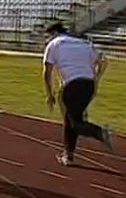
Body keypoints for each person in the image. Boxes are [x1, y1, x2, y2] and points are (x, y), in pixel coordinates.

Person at [42, 22, 114, 166]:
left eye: (47, 36)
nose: (46, 40)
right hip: (88, 85)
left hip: (72, 85)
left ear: (54, 33)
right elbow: (103, 61)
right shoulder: (83, 43)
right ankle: (68, 156)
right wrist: (96, 79)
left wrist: (50, 95)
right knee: (71, 120)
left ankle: (99, 132)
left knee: (75, 122)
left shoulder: (54, 44)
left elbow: (47, 72)